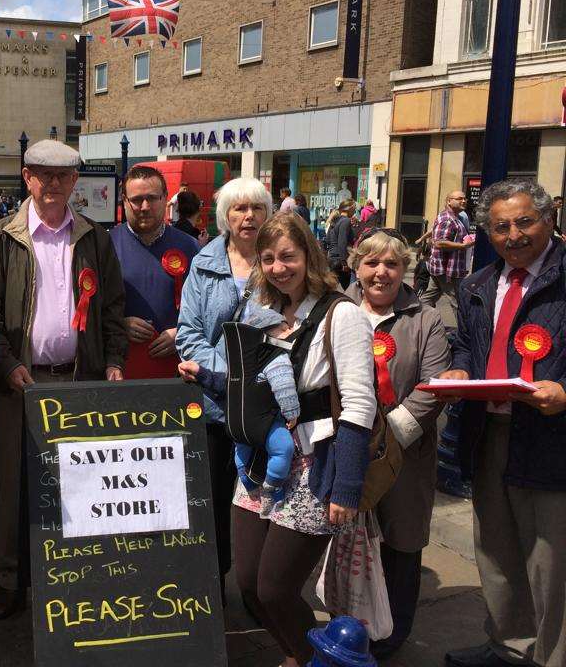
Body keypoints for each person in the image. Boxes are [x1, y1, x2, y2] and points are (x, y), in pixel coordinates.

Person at [0, 139, 127, 620]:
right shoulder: (2, 236)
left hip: (80, 380)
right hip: (21, 383)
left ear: (75, 181)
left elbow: (114, 310)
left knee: (79, 484)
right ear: (27, 178)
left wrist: (114, 361)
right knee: (16, 484)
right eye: (44, 174)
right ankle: (14, 578)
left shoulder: (95, 238)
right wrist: (7, 365)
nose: (54, 184)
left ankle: (75, 576)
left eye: (64, 176)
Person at [229, 212, 376, 667]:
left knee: (276, 587)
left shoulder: (342, 313)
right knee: (248, 583)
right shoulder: (263, 311)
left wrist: (347, 486)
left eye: (288, 257)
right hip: (261, 460)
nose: (277, 267)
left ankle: (324, 659)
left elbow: (358, 404)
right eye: (268, 258)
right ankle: (299, 653)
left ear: (308, 256)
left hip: (314, 464)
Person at [440, 179, 566, 667]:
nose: (513, 235)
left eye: (523, 222)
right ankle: (509, 645)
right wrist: (460, 369)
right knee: (495, 547)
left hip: (551, 436)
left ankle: (553, 657)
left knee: (550, 561)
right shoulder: (478, 284)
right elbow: (469, 344)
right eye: (500, 226)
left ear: (549, 218)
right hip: (488, 432)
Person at [345, 228, 450, 658]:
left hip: (406, 454)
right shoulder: (336, 308)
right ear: (356, 266)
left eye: (392, 264)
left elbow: (435, 383)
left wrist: (389, 440)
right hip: (347, 448)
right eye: (371, 263)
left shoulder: (426, 318)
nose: (381, 273)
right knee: (348, 543)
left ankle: (393, 636)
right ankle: (348, 624)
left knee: (401, 546)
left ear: (405, 268)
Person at [176, 177, 272, 586]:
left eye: (256, 208)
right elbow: (188, 334)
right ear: (225, 216)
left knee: (261, 499)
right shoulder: (204, 262)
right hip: (214, 406)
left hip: (265, 403)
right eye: (239, 208)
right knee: (212, 498)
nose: (248, 216)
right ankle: (214, 582)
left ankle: (259, 587)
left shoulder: (280, 260)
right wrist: (229, 377)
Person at [180, 298, 300, 517]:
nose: (290, 330)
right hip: (263, 424)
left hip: (236, 426)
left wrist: (201, 372)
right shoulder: (277, 358)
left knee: (241, 451)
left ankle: (246, 478)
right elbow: (284, 388)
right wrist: (292, 413)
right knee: (284, 448)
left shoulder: (242, 363)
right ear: (269, 336)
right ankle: (272, 488)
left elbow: (225, 382)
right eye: (284, 329)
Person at [110, 165, 199, 379]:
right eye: (137, 199)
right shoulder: (106, 245)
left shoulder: (191, 247)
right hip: (120, 371)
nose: (145, 206)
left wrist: (182, 333)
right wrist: (120, 323)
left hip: (178, 372)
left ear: (166, 198)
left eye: (153, 198)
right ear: (124, 200)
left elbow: (207, 309)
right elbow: (90, 309)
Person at [420, 191, 472, 318]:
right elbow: (439, 243)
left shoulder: (455, 218)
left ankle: (416, 318)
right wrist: (463, 246)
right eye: (459, 198)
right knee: (458, 301)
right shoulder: (448, 219)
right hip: (447, 270)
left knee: (429, 296)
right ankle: (464, 333)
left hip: (444, 268)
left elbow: (436, 234)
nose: (464, 201)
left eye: (465, 199)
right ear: (449, 201)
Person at [324, 200, 357, 289]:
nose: (355, 212)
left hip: (332, 258)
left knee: (333, 289)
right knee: (347, 290)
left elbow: (327, 239)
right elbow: (342, 242)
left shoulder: (335, 220)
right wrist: (344, 263)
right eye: (354, 209)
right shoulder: (346, 221)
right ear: (350, 208)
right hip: (340, 260)